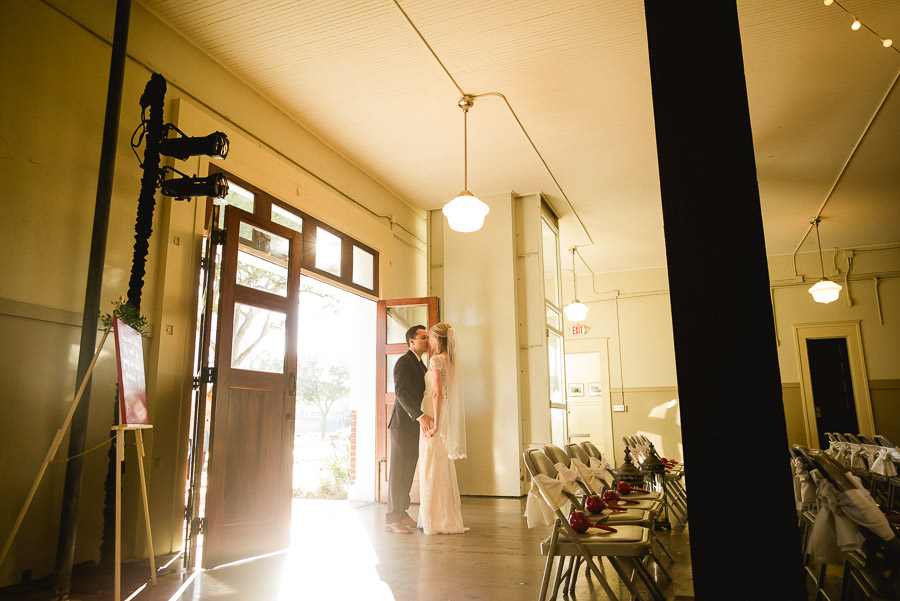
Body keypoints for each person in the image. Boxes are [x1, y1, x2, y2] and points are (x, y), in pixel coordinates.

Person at [418, 322, 468, 534]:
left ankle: (434, 520)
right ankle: (445, 517)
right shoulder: (453, 361)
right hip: (445, 413)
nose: (428, 340)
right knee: (442, 465)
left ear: (438, 339)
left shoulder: (436, 360)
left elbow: (437, 392)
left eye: (430, 337)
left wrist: (436, 425)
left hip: (435, 414)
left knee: (432, 465)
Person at [385, 325, 433, 534]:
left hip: (414, 426)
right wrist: (420, 416)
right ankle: (392, 519)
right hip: (401, 426)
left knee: (408, 471)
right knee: (398, 472)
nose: (427, 341)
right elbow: (401, 394)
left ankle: (402, 513)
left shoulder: (421, 365)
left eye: (427, 338)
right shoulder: (403, 362)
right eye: (423, 337)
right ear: (411, 341)